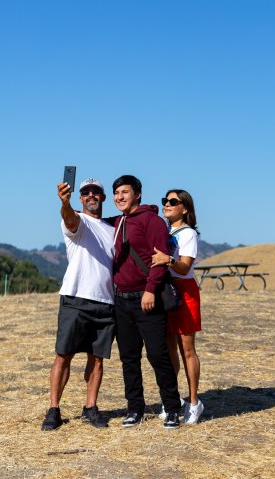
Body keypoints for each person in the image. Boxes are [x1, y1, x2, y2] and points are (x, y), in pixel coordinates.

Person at [41, 178, 116, 431]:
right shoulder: (75, 220)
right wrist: (65, 202)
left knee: (97, 360)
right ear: (80, 198)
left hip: (106, 301)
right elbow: (69, 218)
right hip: (75, 297)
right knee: (64, 355)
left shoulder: (113, 229)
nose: (91, 195)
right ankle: (54, 409)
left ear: (104, 198)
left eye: (96, 192)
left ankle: (90, 407)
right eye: (86, 192)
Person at [111, 175, 183, 429]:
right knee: (128, 357)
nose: (119, 197)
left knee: (157, 355)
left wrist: (151, 290)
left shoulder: (152, 221)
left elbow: (160, 259)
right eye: (116, 193)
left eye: (125, 192)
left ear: (138, 194)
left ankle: (172, 408)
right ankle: (135, 409)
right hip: (121, 300)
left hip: (147, 298)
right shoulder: (118, 222)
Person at [151, 189, 204, 424]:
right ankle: (172, 399)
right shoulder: (164, 230)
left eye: (174, 201)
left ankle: (194, 402)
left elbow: (184, 267)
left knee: (187, 348)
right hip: (166, 290)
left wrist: (168, 260)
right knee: (168, 347)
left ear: (185, 208)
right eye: (165, 201)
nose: (167, 204)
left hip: (184, 290)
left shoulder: (188, 234)